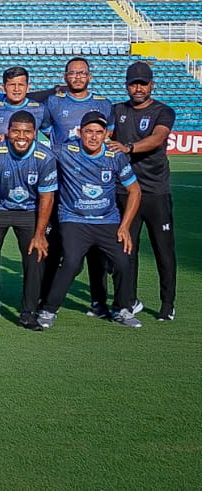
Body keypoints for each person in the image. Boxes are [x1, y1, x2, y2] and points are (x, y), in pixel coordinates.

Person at [38, 111, 142, 329]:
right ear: (79, 132)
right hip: (74, 219)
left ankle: (122, 309)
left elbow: (134, 191)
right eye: (88, 132)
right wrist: (3, 138)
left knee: (123, 261)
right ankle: (48, 309)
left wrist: (124, 227)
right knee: (72, 263)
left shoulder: (115, 156)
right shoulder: (65, 150)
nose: (93, 137)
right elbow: (36, 150)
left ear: (106, 134)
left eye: (98, 132)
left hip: (108, 221)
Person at [0, 110, 57, 330]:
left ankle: (29, 313)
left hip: (29, 211)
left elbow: (46, 198)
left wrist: (40, 235)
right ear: (8, 131)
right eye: (17, 131)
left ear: (35, 133)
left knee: (37, 254)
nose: (22, 136)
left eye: (28, 132)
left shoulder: (45, 157)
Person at [107, 61, 176, 321]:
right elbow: (104, 133)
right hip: (124, 191)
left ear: (151, 85)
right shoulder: (117, 110)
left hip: (155, 192)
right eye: (133, 83)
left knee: (163, 250)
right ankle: (127, 301)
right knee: (126, 249)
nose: (137, 88)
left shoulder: (163, 111)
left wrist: (129, 147)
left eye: (142, 83)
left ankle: (167, 303)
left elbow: (158, 138)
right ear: (126, 85)